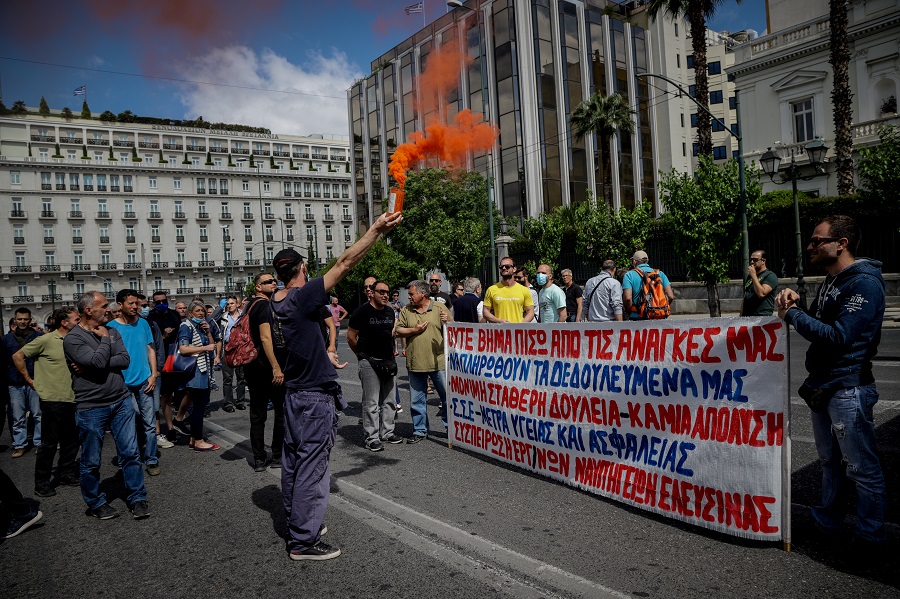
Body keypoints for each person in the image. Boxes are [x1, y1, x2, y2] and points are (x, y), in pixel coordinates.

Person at [270, 210, 402, 561]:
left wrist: (323, 350)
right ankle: (302, 540)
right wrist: (375, 228)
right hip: (313, 397)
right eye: (306, 268)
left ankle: (296, 519)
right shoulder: (301, 298)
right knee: (313, 466)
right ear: (300, 270)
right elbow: (345, 262)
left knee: (295, 462)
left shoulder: (276, 301)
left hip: (295, 394)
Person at [775, 215, 887, 547]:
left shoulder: (863, 284)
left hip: (848, 387)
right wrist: (796, 305)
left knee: (862, 468)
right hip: (824, 386)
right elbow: (819, 322)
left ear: (841, 244)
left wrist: (792, 316)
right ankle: (829, 520)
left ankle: (870, 535)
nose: (810, 246)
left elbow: (839, 336)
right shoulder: (831, 280)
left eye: (816, 241)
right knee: (829, 461)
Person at [64, 291, 149, 520]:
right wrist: (102, 345)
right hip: (91, 407)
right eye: (103, 306)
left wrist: (94, 364)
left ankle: (137, 497)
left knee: (130, 453)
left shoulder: (112, 331)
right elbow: (99, 360)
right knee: (91, 461)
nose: (109, 309)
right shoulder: (74, 338)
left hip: (121, 401)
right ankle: (95, 502)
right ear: (88, 310)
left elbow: (124, 359)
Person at [13, 308, 81, 497]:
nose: (80, 322)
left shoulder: (74, 340)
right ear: (64, 323)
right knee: (49, 443)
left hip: (73, 397)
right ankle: (41, 483)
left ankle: (66, 473)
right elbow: (18, 356)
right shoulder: (46, 339)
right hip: (52, 399)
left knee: (72, 440)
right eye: (76, 319)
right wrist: (29, 379)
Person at [108, 289, 161, 476]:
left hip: (145, 381)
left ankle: (151, 460)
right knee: (126, 426)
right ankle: (128, 460)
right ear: (120, 305)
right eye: (130, 303)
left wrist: (153, 374)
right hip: (122, 385)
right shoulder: (110, 328)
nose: (135, 307)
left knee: (149, 424)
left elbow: (150, 350)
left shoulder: (144, 324)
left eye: (136, 303)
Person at [348, 280, 402, 451]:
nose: (385, 295)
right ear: (372, 292)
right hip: (369, 361)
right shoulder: (361, 312)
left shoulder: (389, 312)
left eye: (387, 292)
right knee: (371, 403)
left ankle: (387, 432)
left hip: (388, 361)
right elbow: (351, 337)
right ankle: (371, 437)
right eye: (381, 292)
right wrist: (361, 355)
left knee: (389, 400)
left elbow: (391, 334)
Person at [396, 279, 452, 443]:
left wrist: (449, 322)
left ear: (423, 293)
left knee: (446, 398)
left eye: (412, 294)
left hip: (438, 362)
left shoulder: (439, 307)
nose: (409, 297)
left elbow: (454, 329)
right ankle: (420, 431)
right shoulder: (406, 310)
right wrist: (414, 330)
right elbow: (398, 330)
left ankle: (451, 429)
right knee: (417, 400)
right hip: (415, 363)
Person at [245, 272, 286, 472]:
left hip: (253, 366)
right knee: (280, 411)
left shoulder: (250, 305)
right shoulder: (262, 306)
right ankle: (276, 455)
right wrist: (276, 367)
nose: (273, 283)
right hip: (265, 368)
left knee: (258, 414)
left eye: (273, 280)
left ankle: (259, 458)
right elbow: (265, 338)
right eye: (267, 282)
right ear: (258, 287)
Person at [173, 302, 220, 452]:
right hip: (195, 371)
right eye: (198, 311)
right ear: (190, 313)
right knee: (200, 405)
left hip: (204, 369)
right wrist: (204, 348)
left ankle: (194, 437)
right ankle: (199, 440)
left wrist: (208, 333)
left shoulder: (201, 326)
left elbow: (212, 346)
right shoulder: (186, 326)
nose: (201, 313)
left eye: (203, 311)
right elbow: (183, 348)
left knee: (201, 403)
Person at [4, 307, 43, 458]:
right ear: (14, 320)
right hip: (15, 383)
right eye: (19, 319)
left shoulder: (39, 337)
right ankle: (20, 445)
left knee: (38, 414)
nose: (22, 322)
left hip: (35, 381)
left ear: (30, 320)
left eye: (25, 319)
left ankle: (39, 443)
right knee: (17, 416)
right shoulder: (7, 339)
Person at [148, 291, 183, 442]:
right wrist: (164, 335)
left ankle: (179, 419)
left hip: (178, 357)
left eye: (164, 301)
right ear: (154, 303)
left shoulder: (175, 314)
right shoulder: (151, 318)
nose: (161, 304)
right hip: (163, 360)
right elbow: (152, 342)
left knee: (183, 392)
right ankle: (169, 427)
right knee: (166, 395)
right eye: (158, 302)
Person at [622, 251, 674, 320]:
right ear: (647, 261)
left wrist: (629, 312)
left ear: (634, 262)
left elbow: (628, 298)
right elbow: (671, 296)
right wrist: (660, 308)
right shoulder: (660, 274)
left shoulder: (629, 275)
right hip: (657, 317)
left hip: (637, 316)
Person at [482, 258, 535, 324]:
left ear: (514, 269)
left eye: (507, 266)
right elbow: (485, 311)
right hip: (499, 331)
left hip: (517, 332)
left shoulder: (524, 290)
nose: (504, 268)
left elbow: (530, 312)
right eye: (501, 267)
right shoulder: (491, 289)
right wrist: (499, 321)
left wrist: (521, 325)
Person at [219, 296, 247, 412]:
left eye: (232, 303)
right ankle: (228, 403)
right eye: (228, 304)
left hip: (241, 349)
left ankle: (240, 401)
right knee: (227, 378)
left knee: (241, 377)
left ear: (237, 304)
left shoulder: (244, 316)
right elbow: (213, 321)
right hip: (227, 348)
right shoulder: (224, 317)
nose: (229, 306)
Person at [741, 250, 779, 316]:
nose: (752, 262)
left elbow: (761, 293)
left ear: (763, 261)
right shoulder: (750, 277)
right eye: (751, 259)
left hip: (761, 317)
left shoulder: (770, 275)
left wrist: (754, 276)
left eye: (755, 260)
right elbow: (746, 296)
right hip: (747, 317)